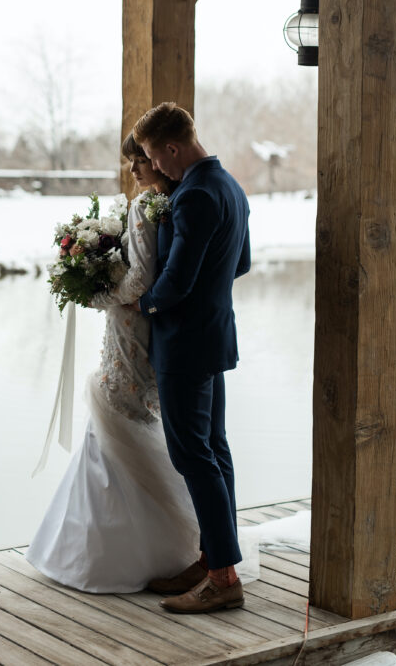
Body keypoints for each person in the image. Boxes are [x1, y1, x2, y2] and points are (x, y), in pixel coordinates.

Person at [25, 133, 199, 592]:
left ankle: (109, 555)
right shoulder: (168, 203)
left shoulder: (145, 207)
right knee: (131, 411)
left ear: (158, 160)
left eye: (139, 161)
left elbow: (140, 278)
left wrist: (98, 293)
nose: (134, 170)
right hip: (150, 326)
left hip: (131, 322)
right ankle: (166, 544)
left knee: (118, 409)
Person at [131, 101, 251, 614]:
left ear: (173, 148)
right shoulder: (229, 185)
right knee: (214, 449)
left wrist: (141, 302)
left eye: (156, 157)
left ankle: (223, 579)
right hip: (213, 335)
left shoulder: (195, 195)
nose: (155, 168)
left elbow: (175, 282)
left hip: (184, 343)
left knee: (192, 455)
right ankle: (212, 559)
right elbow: (239, 263)